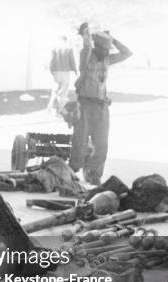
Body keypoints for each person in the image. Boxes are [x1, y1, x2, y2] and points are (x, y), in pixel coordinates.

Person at [68, 23, 132, 186]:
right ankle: (71, 173)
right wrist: (85, 34)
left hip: (101, 106)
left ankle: (93, 173)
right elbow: (86, 45)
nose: (106, 52)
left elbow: (127, 53)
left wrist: (113, 39)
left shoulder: (107, 60)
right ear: (97, 47)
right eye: (104, 49)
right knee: (80, 144)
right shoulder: (87, 58)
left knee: (102, 144)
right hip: (84, 105)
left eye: (107, 49)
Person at [46, 35, 76, 113]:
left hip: (57, 72)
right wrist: (75, 69)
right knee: (64, 91)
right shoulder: (69, 49)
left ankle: (49, 107)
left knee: (55, 90)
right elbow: (72, 60)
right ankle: (60, 108)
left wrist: (51, 69)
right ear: (65, 40)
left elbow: (52, 60)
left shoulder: (55, 48)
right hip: (65, 72)